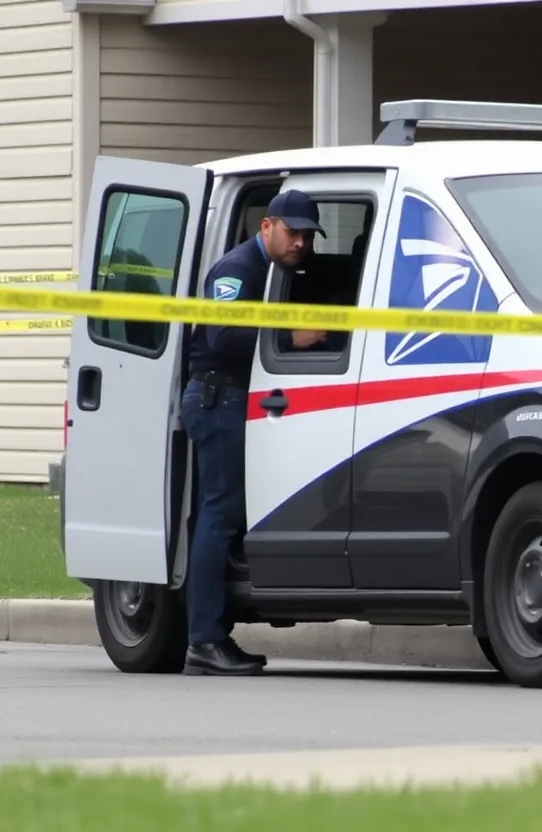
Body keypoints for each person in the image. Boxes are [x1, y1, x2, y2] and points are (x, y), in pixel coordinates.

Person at [179, 190, 328, 676]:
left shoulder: (278, 270)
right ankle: (204, 641)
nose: (300, 242)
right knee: (219, 515)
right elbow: (222, 334)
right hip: (218, 397)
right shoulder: (237, 269)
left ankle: (211, 633)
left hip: (238, 400)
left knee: (226, 514)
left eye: (307, 235)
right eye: (292, 232)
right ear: (267, 227)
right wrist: (290, 336)